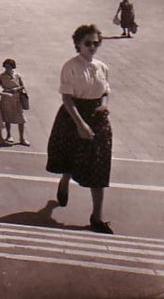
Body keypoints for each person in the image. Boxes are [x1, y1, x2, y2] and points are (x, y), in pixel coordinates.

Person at [46, 24, 113, 234]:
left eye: (96, 43)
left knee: (100, 165)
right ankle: (65, 180)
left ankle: (97, 217)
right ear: (78, 44)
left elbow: (106, 91)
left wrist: (105, 104)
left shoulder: (102, 67)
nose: (92, 47)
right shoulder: (70, 66)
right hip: (73, 116)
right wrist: (80, 124)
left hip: (98, 118)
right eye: (88, 43)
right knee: (71, 156)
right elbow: (67, 98)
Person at [0, 59, 29, 145]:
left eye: (9, 66)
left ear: (12, 66)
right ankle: (9, 135)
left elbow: (22, 86)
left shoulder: (17, 75)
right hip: (6, 99)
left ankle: (22, 138)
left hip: (17, 99)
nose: (7, 68)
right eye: (6, 66)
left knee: (21, 119)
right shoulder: (1, 76)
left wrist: (16, 89)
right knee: (8, 118)